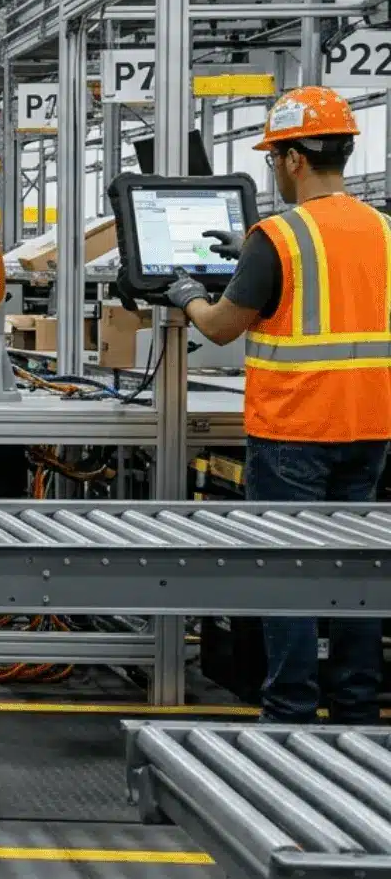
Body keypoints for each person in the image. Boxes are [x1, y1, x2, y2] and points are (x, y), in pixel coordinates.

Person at [164, 85, 390, 725]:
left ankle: (289, 708)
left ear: (293, 159)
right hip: (371, 426)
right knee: (357, 570)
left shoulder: (279, 235)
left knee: (290, 573)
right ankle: (354, 708)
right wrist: (250, 262)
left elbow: (221, 327)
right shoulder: (383, 230)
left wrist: (184, 294)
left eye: (273, 159)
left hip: (294, 427)